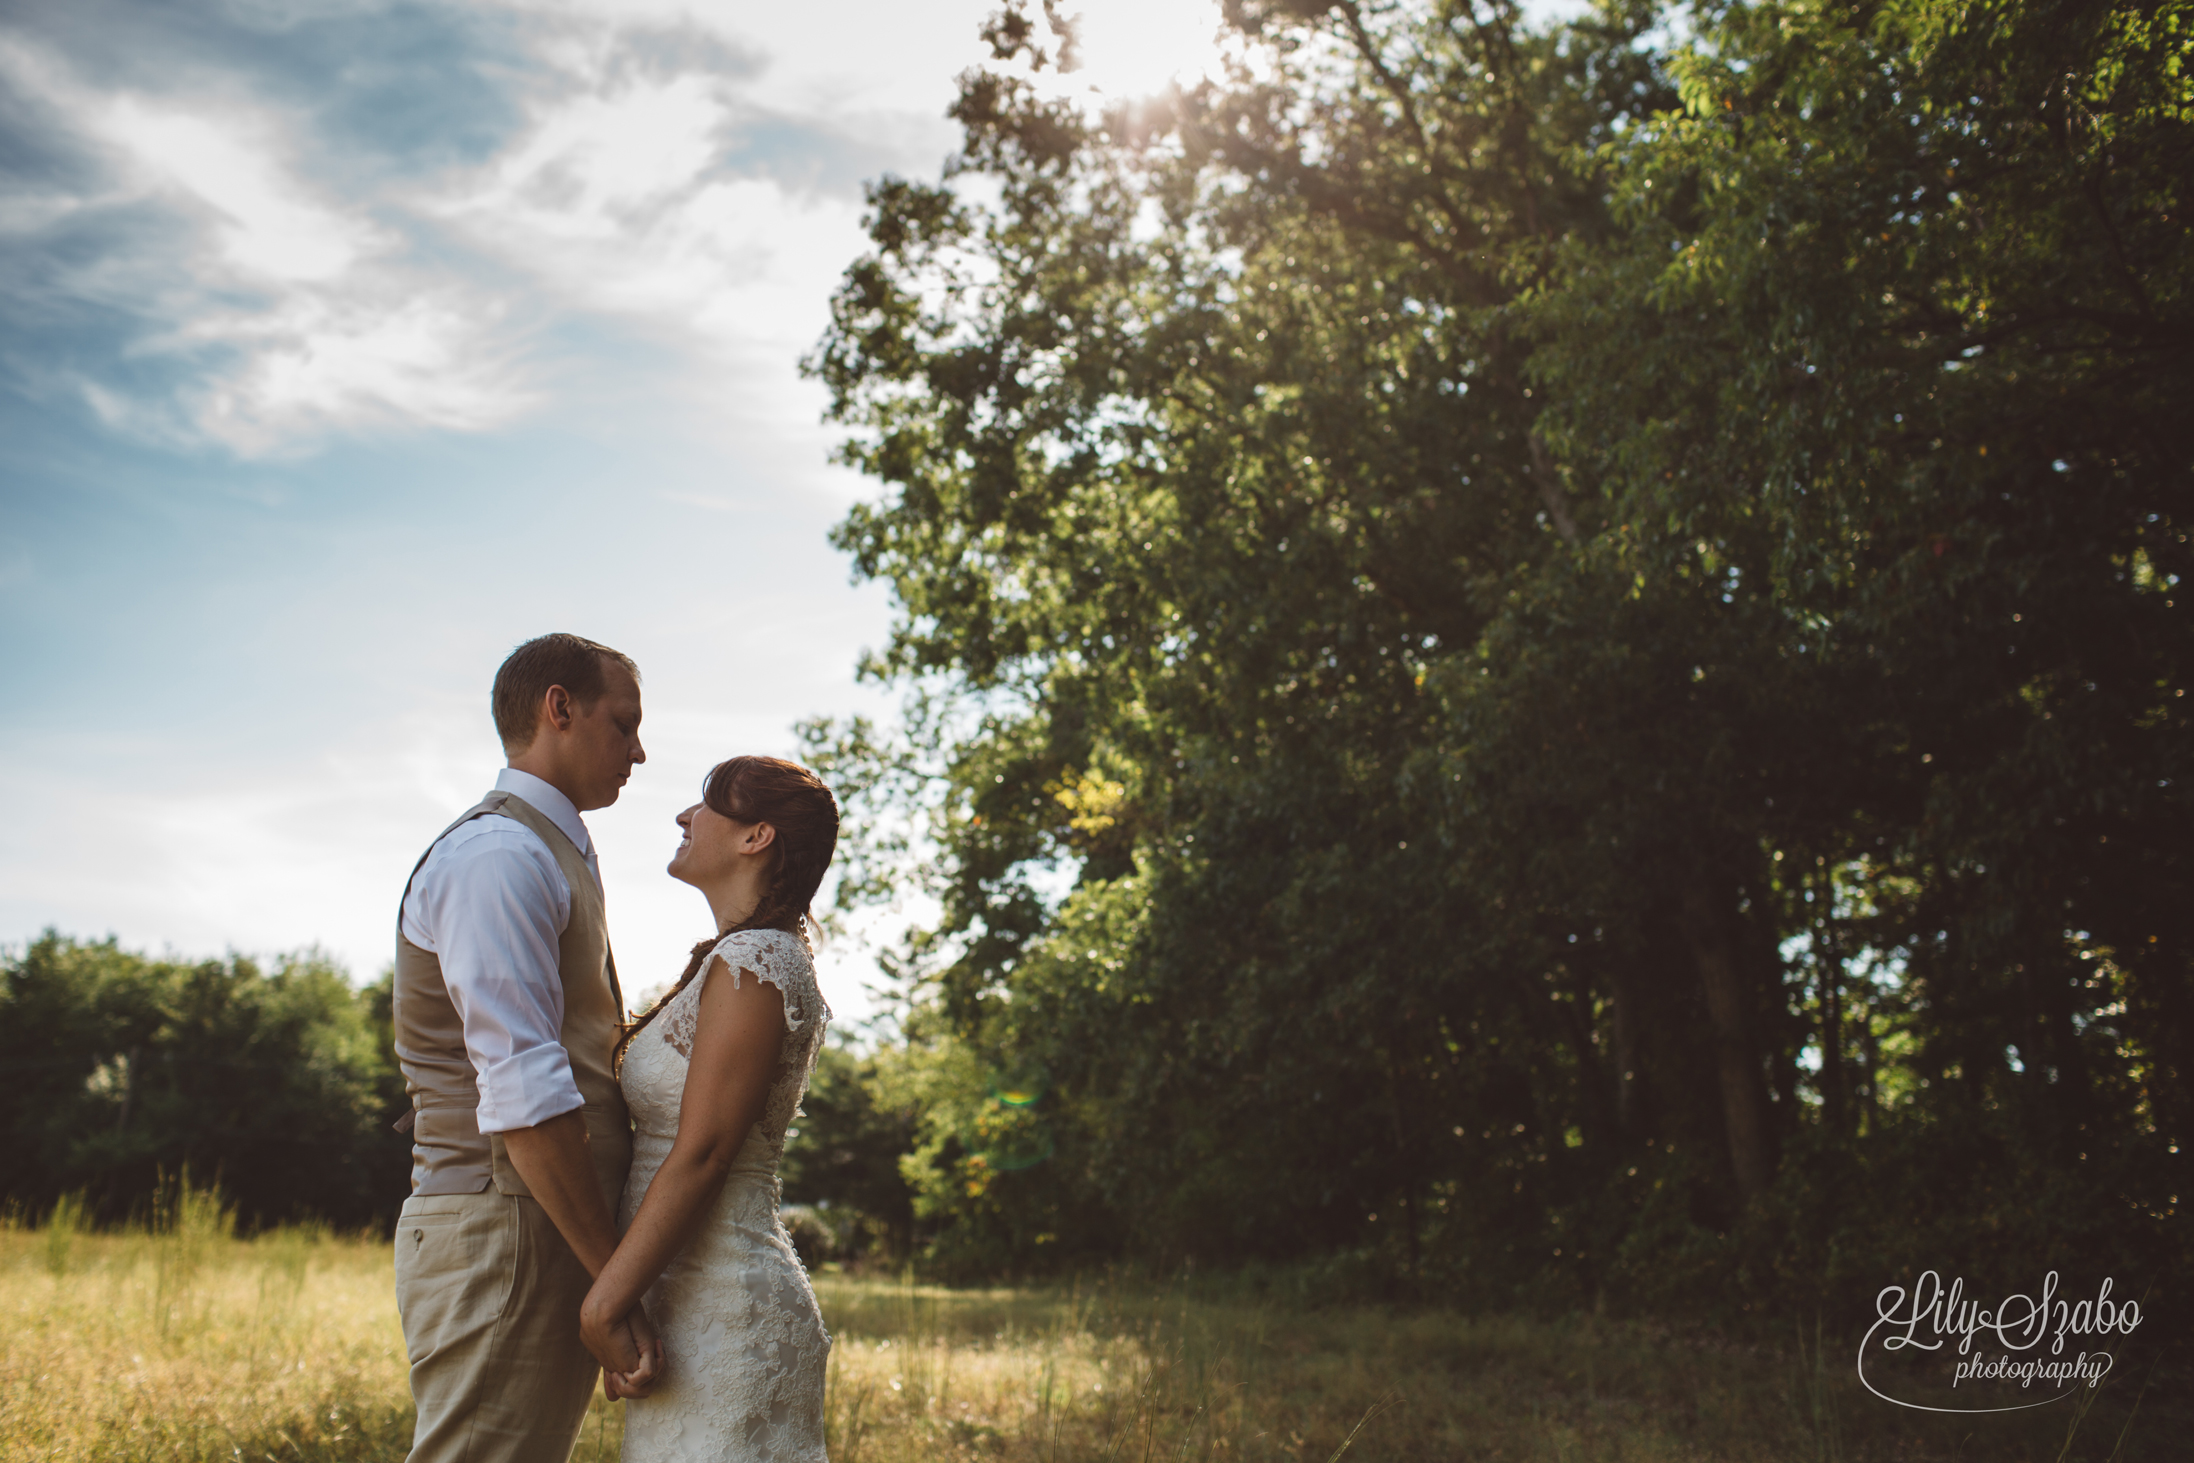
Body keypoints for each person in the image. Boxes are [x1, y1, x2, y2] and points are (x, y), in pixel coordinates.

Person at [390, 632, 662, 1463]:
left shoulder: (545, 849)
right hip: (507, 1227)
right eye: (624, 724)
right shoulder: (498, 856)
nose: (639, 751)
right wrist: (610, 1285)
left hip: (535, 1222)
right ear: (559, 708)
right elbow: (525, 1095)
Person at [580, 754, 839, 1462]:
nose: (683, 816)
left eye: (707, 803)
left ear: (757, 836)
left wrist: (604, 1303)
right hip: (683, 1308)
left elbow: (703, 1151)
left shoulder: (759, 959)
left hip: (730, 1313)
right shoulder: (733, 958)